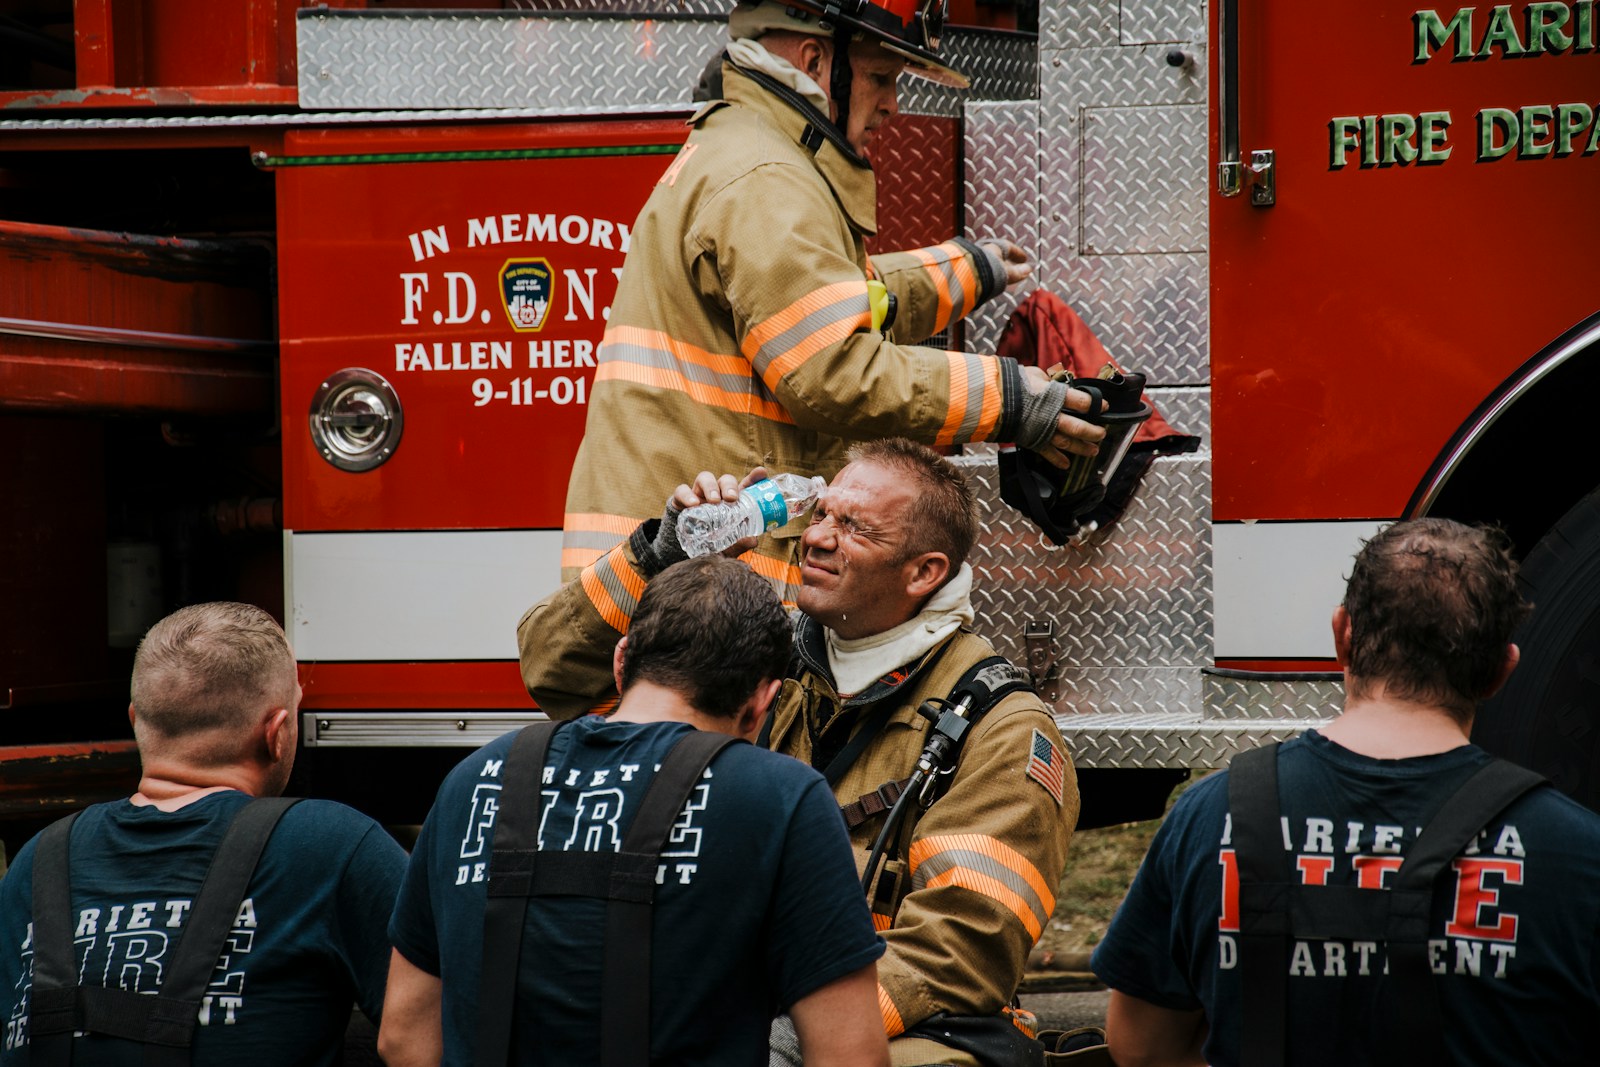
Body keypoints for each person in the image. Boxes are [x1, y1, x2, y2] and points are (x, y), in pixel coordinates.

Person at [523, 438, 1078, 1066]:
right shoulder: (760, 663)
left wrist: (789, 1032)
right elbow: (557, 675)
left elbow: (958, 948)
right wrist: (660, 559)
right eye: (820, 515)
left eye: (854, 528)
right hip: (729, 1003)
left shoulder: (998, 728)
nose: (816, 538)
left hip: (900, 1027)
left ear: (925, 572)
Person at [560, 0, 1107, 596]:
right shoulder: (767, 177)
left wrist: (968, 269)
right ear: (817, 59)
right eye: (879, 76)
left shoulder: (749, 151)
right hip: (696, 597)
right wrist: (1011, 398)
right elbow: (832, 369)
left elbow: (844, 298)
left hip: (679, 586)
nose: (894, 103)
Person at [1092, 518, 1600, 1067]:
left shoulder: (1209, 816)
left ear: (1342, 635)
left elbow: (1141, 1048)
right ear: (1502, 671)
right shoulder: (1575, 852)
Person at [381, 554, 888, 1067]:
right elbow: (851, 1056)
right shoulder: (784, 798)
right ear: (764, 702)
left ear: (621, 662)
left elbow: (403, 1038)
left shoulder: (473, 778)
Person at [0, 602, 406, 1066]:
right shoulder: (329, 848)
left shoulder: (37, 864)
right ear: (276, 733)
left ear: (136, 721)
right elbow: (434, 1035)